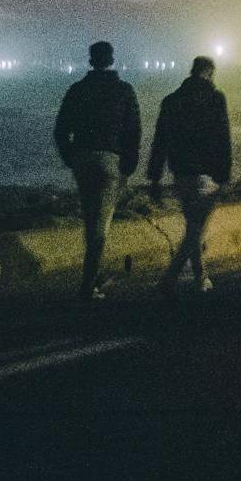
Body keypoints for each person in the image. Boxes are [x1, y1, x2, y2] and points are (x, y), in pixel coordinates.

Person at [53, 40, 141, 301]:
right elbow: (133, 131)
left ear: (91, 61)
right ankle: (89, 284)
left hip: (82, 159)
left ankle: (92, 277)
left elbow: (60, 130)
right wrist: (129, 163)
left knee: (90, 218)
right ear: (112, 60)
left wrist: (70, 157)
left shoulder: (77, 90)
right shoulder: (124, 91)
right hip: (109, 160)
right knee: (100, 225)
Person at [147, 55, 232, 297]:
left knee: (193, 226)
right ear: (209, 72)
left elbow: (160, 141)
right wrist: (224, 174)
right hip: (206, 175)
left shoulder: (172, 101)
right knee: (196, 231)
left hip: (180, 173)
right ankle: (170, 278)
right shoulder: (216, 99)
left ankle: (200, 278)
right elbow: (223, 138)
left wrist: (154, 176)